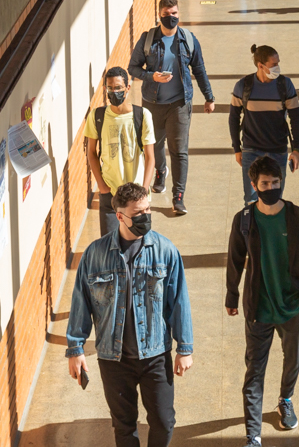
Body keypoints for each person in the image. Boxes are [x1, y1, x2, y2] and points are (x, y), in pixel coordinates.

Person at [66, 182, 194, 447]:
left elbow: (179, 301)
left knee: (164, 421)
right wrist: (75, 349)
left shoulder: (165, 251)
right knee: (123, 425)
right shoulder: (95, 254)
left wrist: (184, 348)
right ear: (120, 216)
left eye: (147, 210)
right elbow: (81, 302)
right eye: (138, 213)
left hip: (154, 355)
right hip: (114, 359)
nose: (145, 216)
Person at [226, 156, 299, 447]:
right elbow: (234, 260)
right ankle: (253, 435)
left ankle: (285, 399)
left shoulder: (297, 216)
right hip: (258, 308)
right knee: (254, 370)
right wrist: (232, 295)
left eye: (275, 182)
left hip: (291, 305)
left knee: (292, 358)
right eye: (265, 183)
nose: (271, 188)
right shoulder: (244, 220)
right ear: (253, 185)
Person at [127, 0, 215, 215]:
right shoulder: (148, 39)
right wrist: (151, 76)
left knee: (179, 150)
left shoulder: (188, 40)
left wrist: (209, 97)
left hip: (179, 105)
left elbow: (199, 69)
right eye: (166, 14)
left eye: (174, 13)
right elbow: (133, 68)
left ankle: (178, 197)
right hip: (152, 104)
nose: (171, 17)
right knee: (154, 145)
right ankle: (160, 170)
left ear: (178, 13)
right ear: (159, 15)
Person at [229, 45, 299, 203]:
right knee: (251, 200)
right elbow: (233, 119)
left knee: (275, 200)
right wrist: (237, 148)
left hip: (278, 150)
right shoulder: (243, 86)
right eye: (273, 65)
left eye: (278, 63)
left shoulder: (285, 85)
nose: (277, 67)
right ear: (260, 66)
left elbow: (296, 118)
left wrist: (296, 149)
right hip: (251, 150)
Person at [86, 67, 156, 236]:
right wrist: (102, 187)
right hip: (110, 194)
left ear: (127, 88)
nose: (114, 92)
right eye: (110, 88)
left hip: (136, 194)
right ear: (105, 89)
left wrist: (144, 190)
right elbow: (91, 153)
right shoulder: (97, 116)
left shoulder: (142, 115)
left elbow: (150, 157)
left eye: (118, 87)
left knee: (138, 242)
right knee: (111, 244)